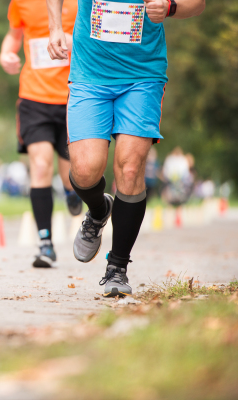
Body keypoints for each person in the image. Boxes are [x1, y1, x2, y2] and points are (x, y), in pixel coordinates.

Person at [47, 0, 205, 297]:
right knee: (83, 171)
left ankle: (117, 266)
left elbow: (197, 4)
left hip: (142, 74)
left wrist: (171, 8)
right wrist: (55, 27)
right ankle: (98, 209)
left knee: (131, 167)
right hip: (90, 74)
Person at [0, 0, 82, 269]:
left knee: (74, 174)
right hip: (34, 97)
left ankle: (73, 193)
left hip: (76, 95)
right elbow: (13, 35)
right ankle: (45, 243)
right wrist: (6, 55)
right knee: (41, 164)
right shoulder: (21, 2)